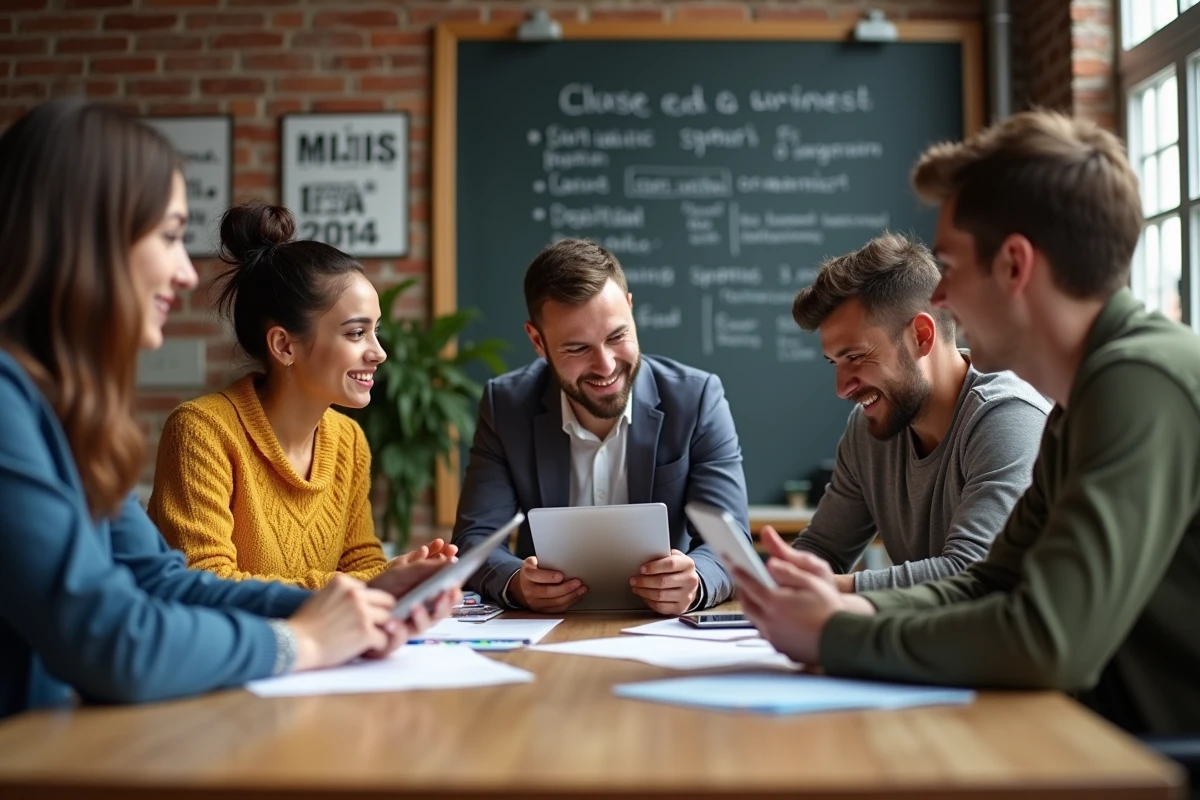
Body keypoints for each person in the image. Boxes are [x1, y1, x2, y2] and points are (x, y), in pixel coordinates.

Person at [733, 110, 1200, 736]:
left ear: (1014, 265)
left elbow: (1048, 637)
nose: (941, 297)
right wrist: (850, 609)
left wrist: (839, 633)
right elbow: (991, 580)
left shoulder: (1138, 381)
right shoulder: (1080, 398)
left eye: (949, 267)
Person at [0, 100, 455, 719]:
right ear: (85, 240)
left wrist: (365, 599)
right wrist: (303, 641)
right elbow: (111, 637)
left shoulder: (57, 410)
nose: (187, 273)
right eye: (167, 236)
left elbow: (162, 582)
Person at [148, 203, 455, 588]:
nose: (379, 352)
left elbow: (360, 561)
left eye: (376, 331)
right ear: (284, 346)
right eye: (356, 333)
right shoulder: (201, 432)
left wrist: (407, 577)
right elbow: (207, 584)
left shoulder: (348, 441)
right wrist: (374, 584)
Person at [451, 238, 749, 615]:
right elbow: (476, 540)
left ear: (630, 307)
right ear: (537, 341)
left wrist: (697, 581)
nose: (606, 366)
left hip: (663, 628)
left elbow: (732, 540)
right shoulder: (506, 405)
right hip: (546, 634)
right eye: (577, 349)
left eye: (617, 336)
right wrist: (516, 583)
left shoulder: (697, 398)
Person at [786, 232, 1049, 591]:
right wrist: (736, 579)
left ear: (921, 336)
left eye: (856, 357)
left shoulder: (1008, 418)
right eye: (834, 362)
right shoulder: (868, 429)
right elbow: (821, 550)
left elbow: (972, 577)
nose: (842, 387)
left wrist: (832, 589)